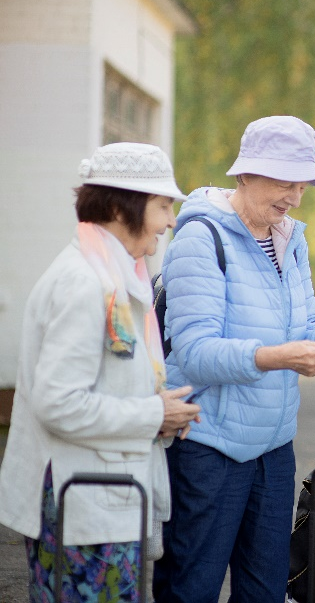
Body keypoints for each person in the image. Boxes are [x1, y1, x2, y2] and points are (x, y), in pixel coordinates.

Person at [151, 116, 315, 603]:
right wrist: (281, 357)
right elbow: (196, 353)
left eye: (302, 186)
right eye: (284, 182)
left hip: (273, 449)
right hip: (208, 447)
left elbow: (299, 329)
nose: (294, 198)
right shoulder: (201, 238)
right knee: (191, 587)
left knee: (265, 592)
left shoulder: (292, 240)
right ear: (245, 175)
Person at [0, 142, 201, 602]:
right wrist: (154, 414)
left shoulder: (115, 274)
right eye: (163, 205)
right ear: (117, 206)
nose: (171, 220)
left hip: (100, 498)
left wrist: (165, 414)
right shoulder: (83, 282)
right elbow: (59, 403)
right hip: (80, 504)